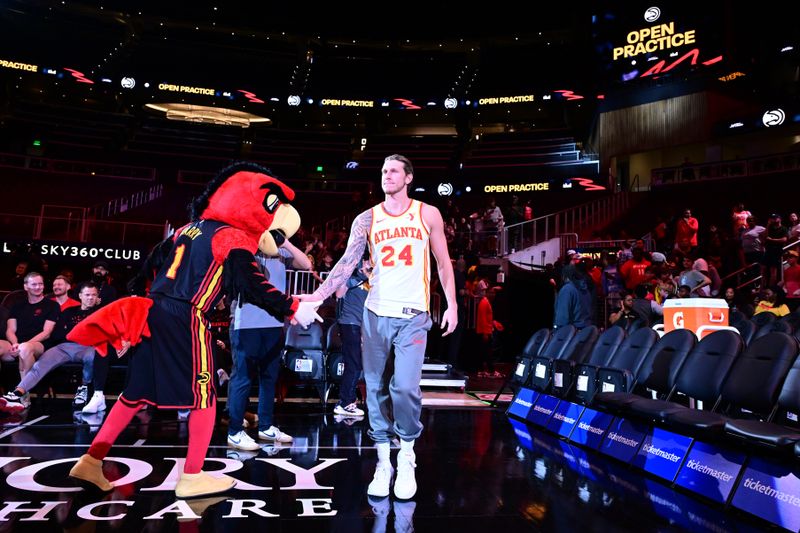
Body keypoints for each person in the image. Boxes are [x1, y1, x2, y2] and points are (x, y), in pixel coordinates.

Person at [299, 154, 457, 500]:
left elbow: (443, 263)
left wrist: (453, 304)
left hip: (414, 314)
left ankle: (408, 454)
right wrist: (316, 297)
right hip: (375, 313)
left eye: (394, 171)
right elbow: (346, 264)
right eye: (384, 171)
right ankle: (384, 461)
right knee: (374, 390)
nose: (387, 176)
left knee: (404, 388)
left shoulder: (427, 213)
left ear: (409, 177)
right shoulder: (367, 218)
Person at [226, 238, 312, 451]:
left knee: (269, 377)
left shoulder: (280, 251)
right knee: (243, 377)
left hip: (274, 322)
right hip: (246, 322)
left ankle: (265, 426)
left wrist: (286, 243)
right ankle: (235, 431)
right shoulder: (246, 246)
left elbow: (307, 265)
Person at [0, 282, 103, 412]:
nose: (90, 298)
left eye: (94, 295)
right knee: (41, 363)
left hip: (87, 347)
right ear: (80, 296)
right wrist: (78, 334)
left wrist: (74, 333)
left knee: (92, 356)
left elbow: (99, 334)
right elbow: (58, 334)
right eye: (87, 294)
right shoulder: (68, 312)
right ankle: (18, 393)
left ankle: (84, 387)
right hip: (64, 347)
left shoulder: (101, 312)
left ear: (97, 297)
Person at [0, 272, 60, 380]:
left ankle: (23, 393)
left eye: (40, 284)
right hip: (16, 345)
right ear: (26, 286)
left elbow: (46, 333)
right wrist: (15, 344)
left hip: (39, 345)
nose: (38, 287)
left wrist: (23, 345)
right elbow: (10, 330)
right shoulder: (17, 305)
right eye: (34, 284)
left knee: (24, 348)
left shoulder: (52, 305)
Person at [333, 249, 371, 418]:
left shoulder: (372, 281)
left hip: (360, 326)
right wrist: (360, 277)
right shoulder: (352, 277)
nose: (370, 264)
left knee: (355, 365)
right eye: (368, 261)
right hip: (348, 323)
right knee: (354, 364)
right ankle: (345, 402)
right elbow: (338, 293)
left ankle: (346, 401)